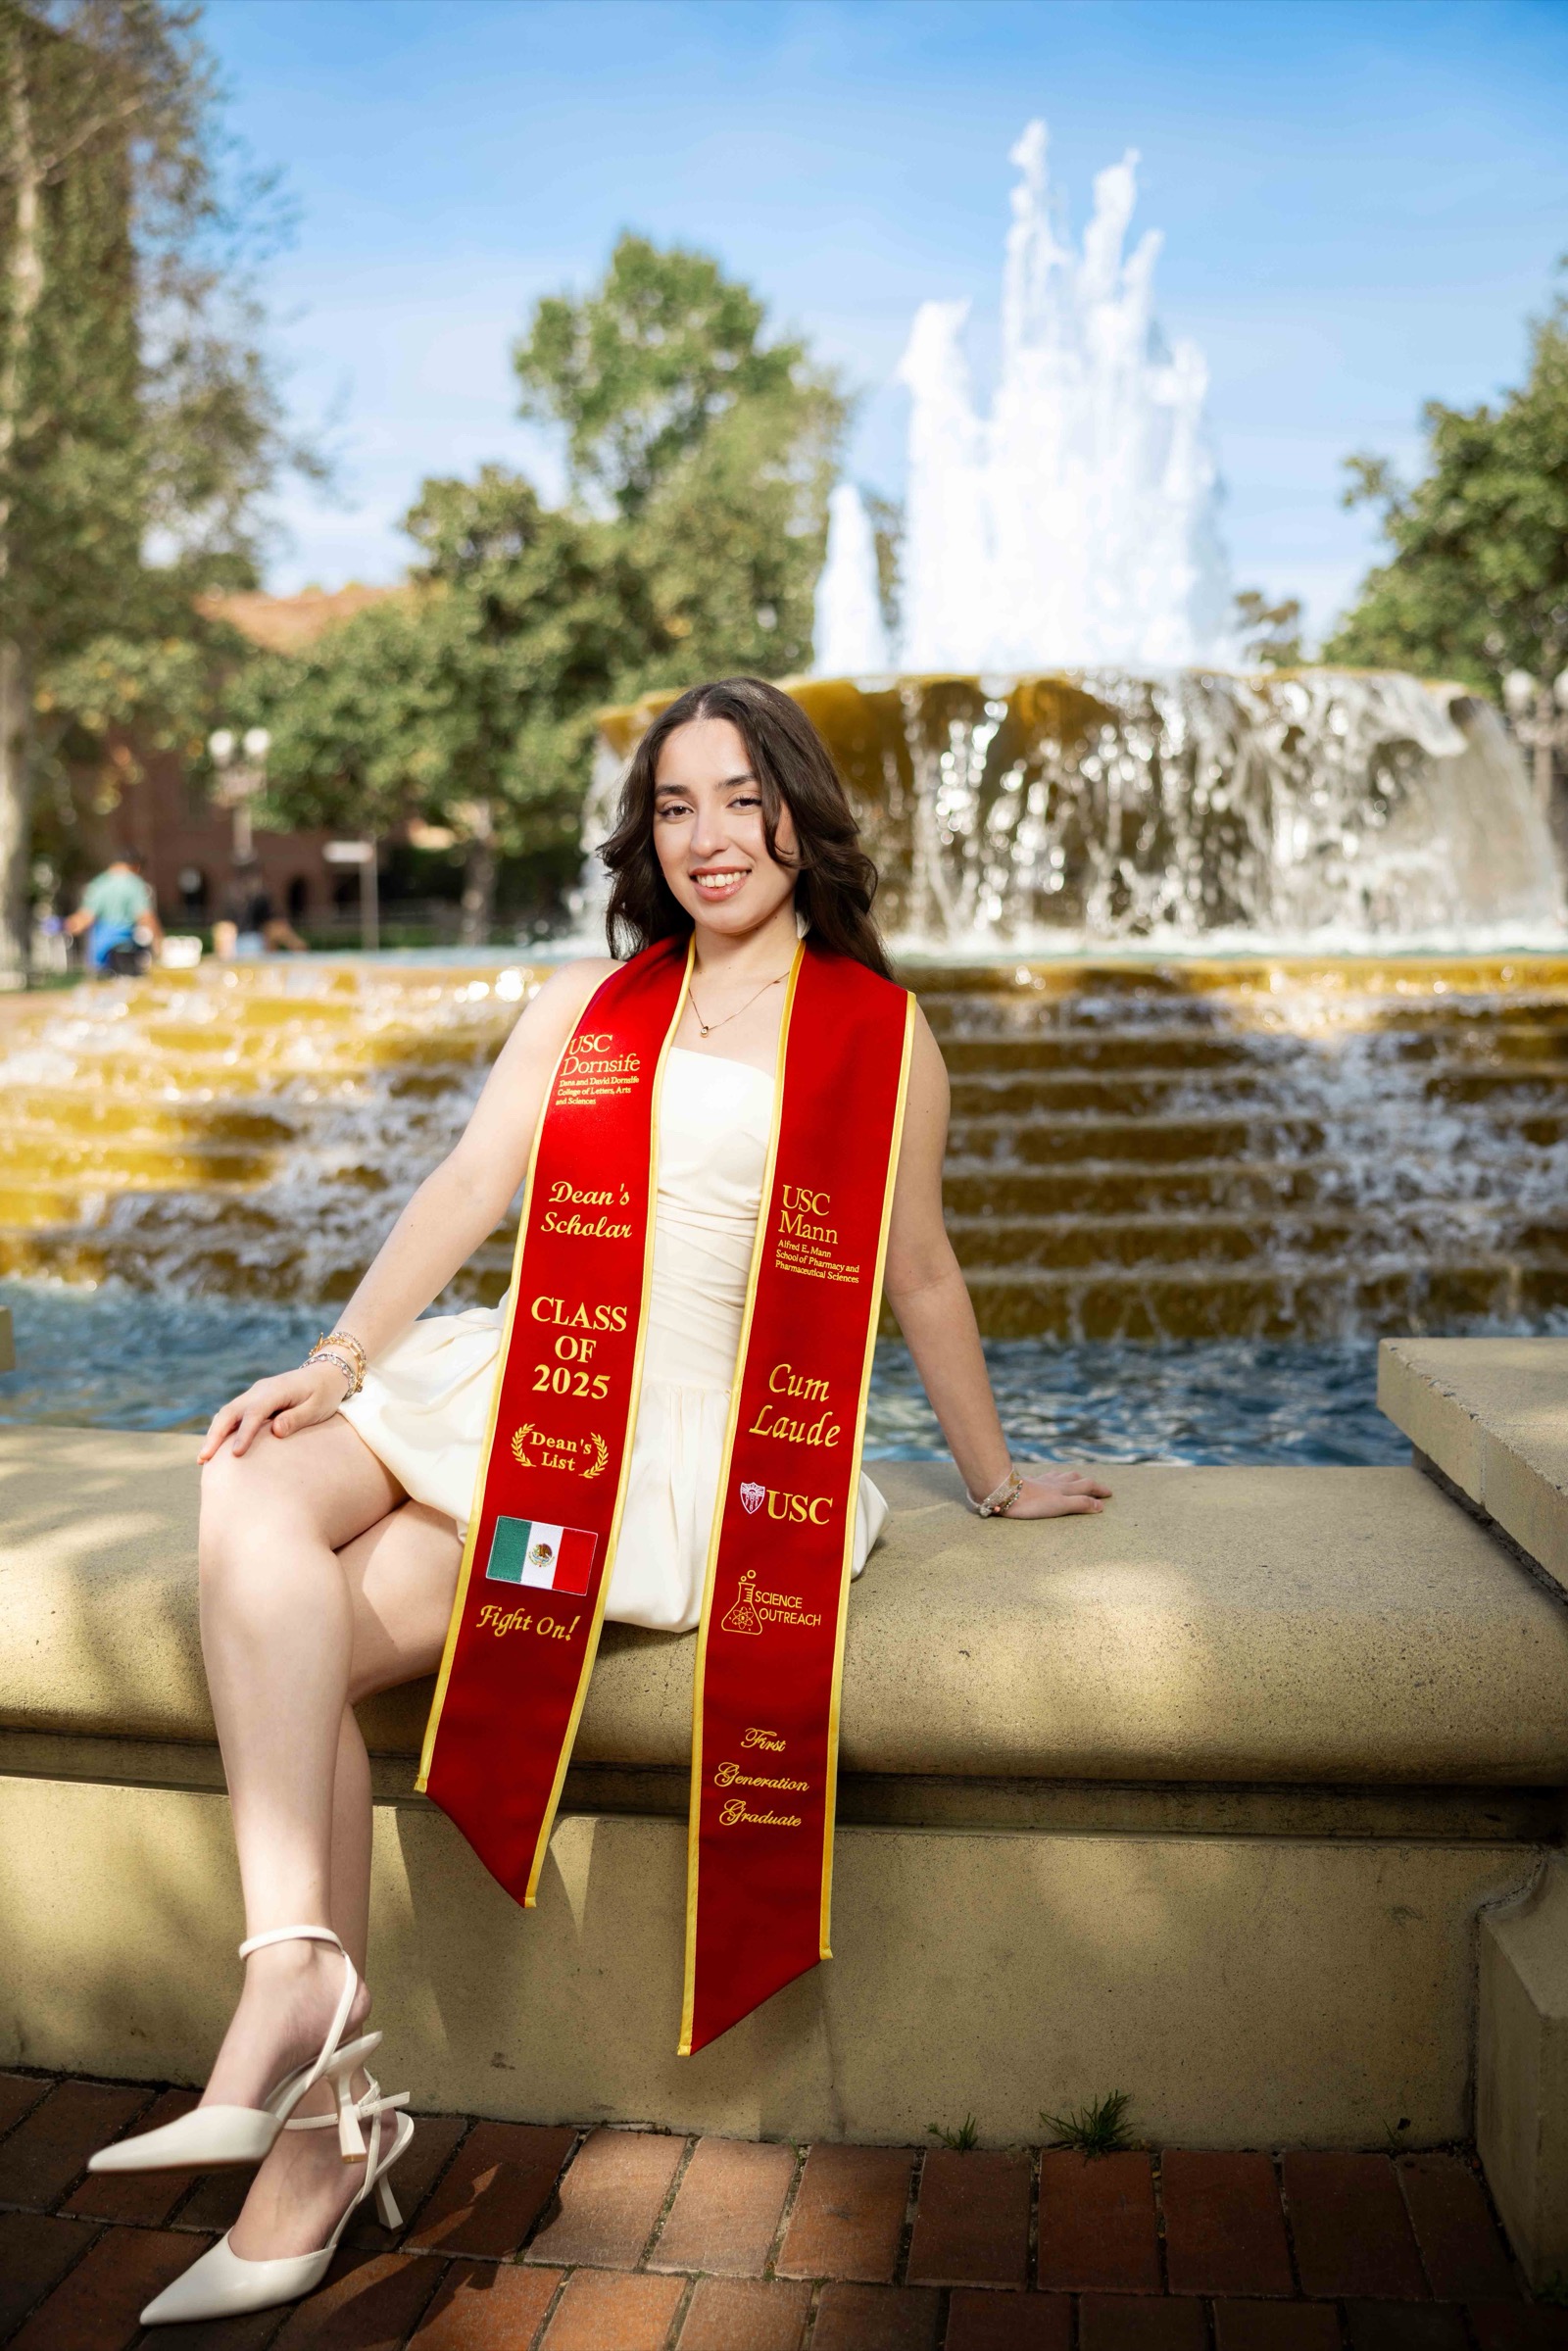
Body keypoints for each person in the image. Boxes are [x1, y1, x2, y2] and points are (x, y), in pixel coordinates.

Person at [91, 677, 1111, 2327]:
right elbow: (468, 1183)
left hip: (667, 1435)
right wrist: (343, 1359)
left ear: (801, 811)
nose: (709, 835)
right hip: (520, 1368)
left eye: (741, 797)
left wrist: (991, 1477)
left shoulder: (872, 1028)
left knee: (304, 1641)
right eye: (676, 804)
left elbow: (918, 1265)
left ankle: (318, 2126)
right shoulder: (590, 1000)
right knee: (251, 1480)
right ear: (646, 831)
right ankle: (298, 1974)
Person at [64, 852, 164, 976]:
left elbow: (83, 919)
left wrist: (63, 925)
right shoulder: (134, 884)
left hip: (100, 953)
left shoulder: (98, 884)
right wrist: (159, 944)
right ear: (136, 866)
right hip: (126, 951)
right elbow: (146, 917)